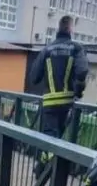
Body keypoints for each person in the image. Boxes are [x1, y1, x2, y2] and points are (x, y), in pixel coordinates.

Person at [29, 15, 88, 172]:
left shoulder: (46, 50)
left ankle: (44, 168)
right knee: (58, 136)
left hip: (49, 101)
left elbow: (34, 77)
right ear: (70, 29)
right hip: (67, 101)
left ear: (58, 29)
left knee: (50, 135)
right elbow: (82, 71)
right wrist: (78, 91)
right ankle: (48, 168)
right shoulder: (76, 48)